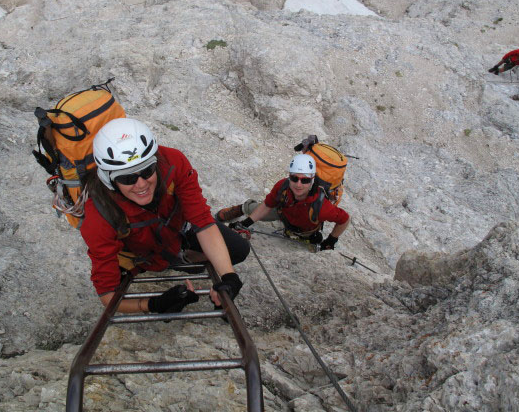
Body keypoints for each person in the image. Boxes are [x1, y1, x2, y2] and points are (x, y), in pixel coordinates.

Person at [80, 118, 249, 314]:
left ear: (156, 162)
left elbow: (202, 222)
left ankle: (185, 258)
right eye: (127, 178)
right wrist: (153, 305)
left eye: (147, 171)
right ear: (109, 180)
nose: (141, 184)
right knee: (188, 263)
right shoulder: (99, 216)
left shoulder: (173, 162)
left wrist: (229, 277)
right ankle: (178, 260)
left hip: (176, 232)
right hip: (141, 254)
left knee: (239, 249)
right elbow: (107, 296)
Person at [216, 154, 350, 250]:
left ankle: (293, 232)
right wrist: (246, 223)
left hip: (304, 228)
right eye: (294, 178)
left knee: (311, 239)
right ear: (289, 176)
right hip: (284, 212)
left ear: (312, 180)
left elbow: (344, 219)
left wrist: (332, 239)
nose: (298, 184)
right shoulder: (283, 186)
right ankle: (241, 209)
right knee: (254, 209)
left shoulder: (321, 206)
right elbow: (268, 205)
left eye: (305, 180)